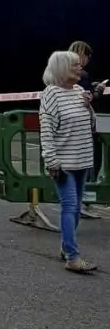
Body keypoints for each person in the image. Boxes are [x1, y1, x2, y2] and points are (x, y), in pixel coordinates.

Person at [40, 50, 98, 273]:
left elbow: (90, 125)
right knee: (70, 206)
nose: (79, 69)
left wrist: (89, 106)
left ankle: (66, 248)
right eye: (75, 65)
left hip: (83, 160)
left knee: (75, 209)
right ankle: (73, 257)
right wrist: (51, 161)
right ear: (62, 68)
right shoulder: (51, 95)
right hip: (64, 163)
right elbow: (47, 131)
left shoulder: (80, 91)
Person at [69, 41, 106, 218]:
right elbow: (86, 99)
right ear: (82, 55)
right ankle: (84, 200)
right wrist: (98, 90)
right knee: (92, 160)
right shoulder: (81, 74)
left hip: (69, 126)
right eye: (87, 57)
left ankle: (74, 200)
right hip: (84, 126)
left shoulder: (62, 73)